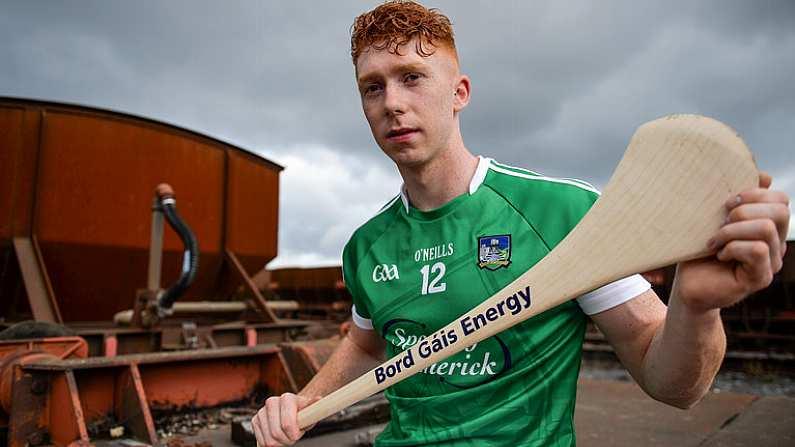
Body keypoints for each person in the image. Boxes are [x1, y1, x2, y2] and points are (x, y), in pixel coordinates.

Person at [251, 1, 791, 446]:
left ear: (459, 93)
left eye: (411, 77)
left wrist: (695, 307)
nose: (392, 102)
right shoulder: (367, 245)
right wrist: (305, 404)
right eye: (373, 87)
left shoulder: (563, 214)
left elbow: (673, 384)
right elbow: (370, 346)